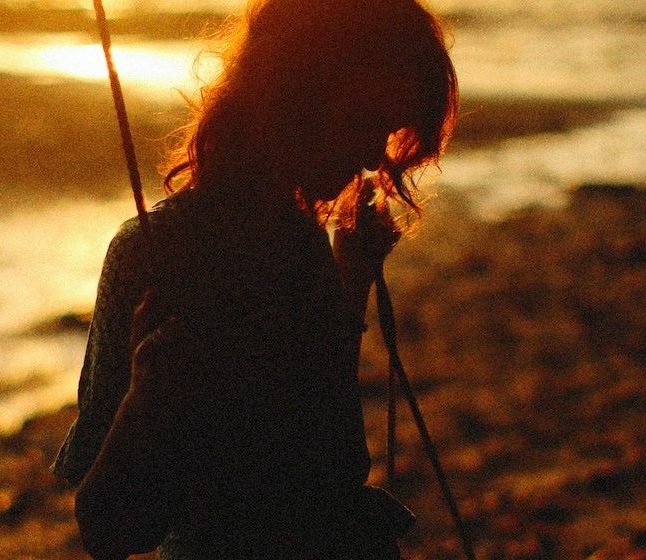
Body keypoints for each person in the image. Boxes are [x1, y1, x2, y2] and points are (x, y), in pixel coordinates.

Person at [51, 0, 458, 557]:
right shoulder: (151, 254)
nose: (370, 157)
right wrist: (146, 401)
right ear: (294, 94)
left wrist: (351, 280)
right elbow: (108, 529)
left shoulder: (300, 241)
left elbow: (320, 455)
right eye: (364, 123)